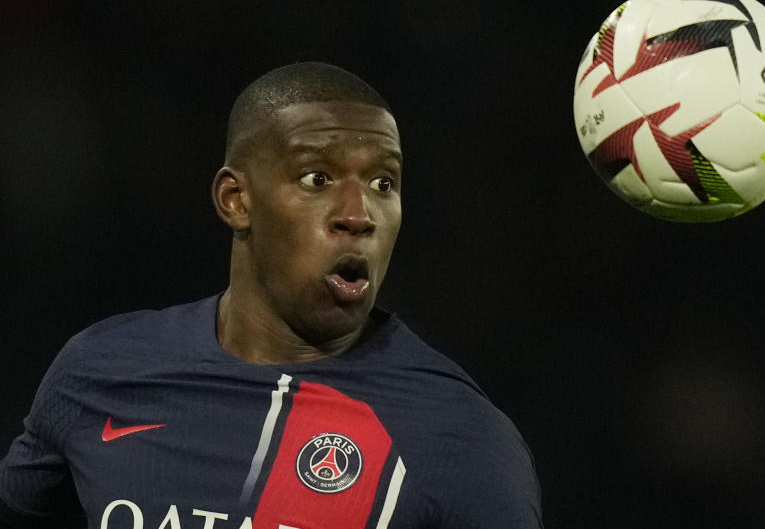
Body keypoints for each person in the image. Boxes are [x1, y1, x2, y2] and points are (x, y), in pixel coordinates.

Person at [0, 63, 543, 529]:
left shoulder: (460, 435)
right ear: (236, 200)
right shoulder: (102, 371)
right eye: (317, 178)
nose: (358, 215)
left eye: (384, 183)